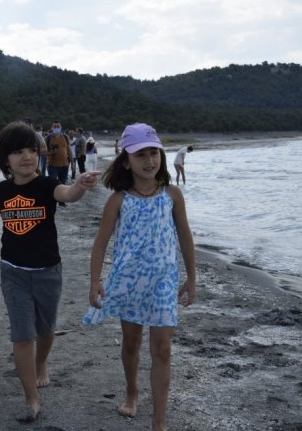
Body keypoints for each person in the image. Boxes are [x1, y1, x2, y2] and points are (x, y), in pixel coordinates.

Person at [0, 121, 99, 422]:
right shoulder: (3, 190)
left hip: (48, 271)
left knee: (45, 330)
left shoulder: (46, 185)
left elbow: (67, 194)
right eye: (18, 151)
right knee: (22, 334)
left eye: (32, 150)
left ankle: (42, 362)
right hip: (13, 273)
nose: (27, 157)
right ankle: (31, 399)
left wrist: (80, 185)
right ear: (5, 160)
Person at [83, 122, 196, 431]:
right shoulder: (118, 200)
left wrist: (191, 278)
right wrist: (95, 281)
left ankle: (159, 422)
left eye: (154, 153)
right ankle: (132, 391)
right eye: (140, 155)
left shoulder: (172, 195)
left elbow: (185, 236)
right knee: (131, 342)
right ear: (126, 161)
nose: (149, 161)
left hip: (163, 283)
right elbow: (100, 243)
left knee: (162, 349)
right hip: (129, 282)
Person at [45, 121, 71, 206]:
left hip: (64, 165)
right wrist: (51, 152)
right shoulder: (48, 138)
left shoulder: (65, 137)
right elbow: (44, 151)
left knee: (62, 183)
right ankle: (52, 200)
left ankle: (61, 201)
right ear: (52, 128)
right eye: (54, 127)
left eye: (58, 126)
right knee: (53, 183)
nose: (56, 128)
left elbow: (68, 150)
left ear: (61, 127)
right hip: (52, 165)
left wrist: (73, 162)